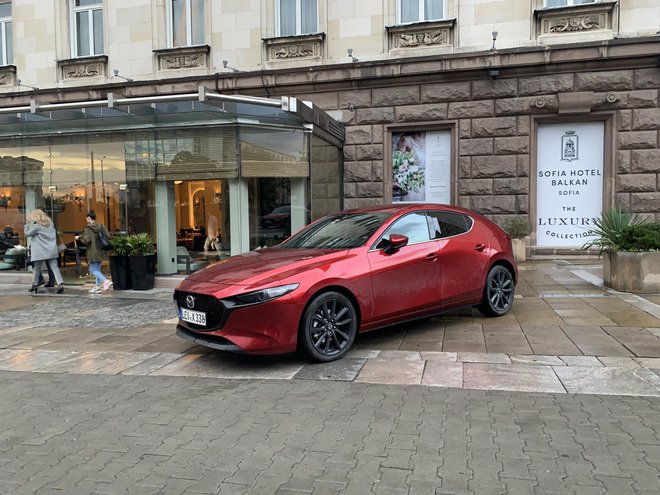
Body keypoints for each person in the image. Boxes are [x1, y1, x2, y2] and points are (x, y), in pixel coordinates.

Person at [24, 209, 64, 294]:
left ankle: (34, 285)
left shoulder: (37, 226)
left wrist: (27, 224)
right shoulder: (51, 224)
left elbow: (27, 234)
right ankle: (60, 284)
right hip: (51, 250)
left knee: (36, 268)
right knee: (55, 268)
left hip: (40, 251)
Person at [76, 211, 112, 294]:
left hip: (93, 252)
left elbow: (87, 240)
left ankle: (106, 281)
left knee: (93, 270)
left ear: (89, 218)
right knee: (97, 270)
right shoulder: (101, 226)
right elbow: (109, 236)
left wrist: (79, 238)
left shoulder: (88, 228)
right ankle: (97, 287)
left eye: (87, 219)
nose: (87, 221)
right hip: (102, 251)